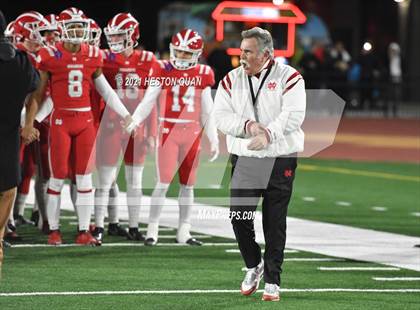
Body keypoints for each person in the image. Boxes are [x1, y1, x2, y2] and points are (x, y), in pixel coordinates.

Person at [213, 27, 306, 302]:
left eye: (247, 51)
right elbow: (220, 116)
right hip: (246, 157)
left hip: (280, 157)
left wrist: (268, 134)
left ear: (265, 54)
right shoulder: (231, 80)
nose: (241, 56)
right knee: (238, 216)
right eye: (241, 50)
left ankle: (273, 280)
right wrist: (248, 127)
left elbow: (294, 115)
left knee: (274, 221)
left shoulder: (290, 78)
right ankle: (254, 264)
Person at [33, 7, 133, 245]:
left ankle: (83, 231)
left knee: (85, 179)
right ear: (62, 30)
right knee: (57, 178)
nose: (78, 31)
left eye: (80, 26)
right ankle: (54, 230)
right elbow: (40, 94)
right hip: (60, 121)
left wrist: (125, 114)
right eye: (73, 26)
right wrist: (32, 120)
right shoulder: (50, 56)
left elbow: (105, 91)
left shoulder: (93, 55)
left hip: (85, 121)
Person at [127, 28, 219, 246]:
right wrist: (136, 119)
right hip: (168, 131)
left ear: (196, 53)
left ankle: (184, 231)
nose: (181, 56)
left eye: (187, 53)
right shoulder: (162, 68)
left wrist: (214, 137)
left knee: (188, 185)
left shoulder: (203, 73)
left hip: (192, 133)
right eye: (178, 51)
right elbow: (149, 100)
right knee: (163, 183)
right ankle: (152, 229)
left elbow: (208, 110)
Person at [92, 13, 158, 244]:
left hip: (136, 127)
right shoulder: (104, 59)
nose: (116, 39)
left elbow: (152, 100)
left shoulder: (148, 60)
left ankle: (133, 226)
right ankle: (99, 225)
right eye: (113, 35)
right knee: (105, 179)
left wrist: (151, 132)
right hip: (111, 124)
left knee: (135, 181)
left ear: (133, 36)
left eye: (120, 35)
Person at [0, 9, 40, 269]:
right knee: (8, 189)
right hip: (8, 133)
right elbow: (34, 92)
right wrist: (28, 123)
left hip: (8, 132)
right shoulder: (24, 62)